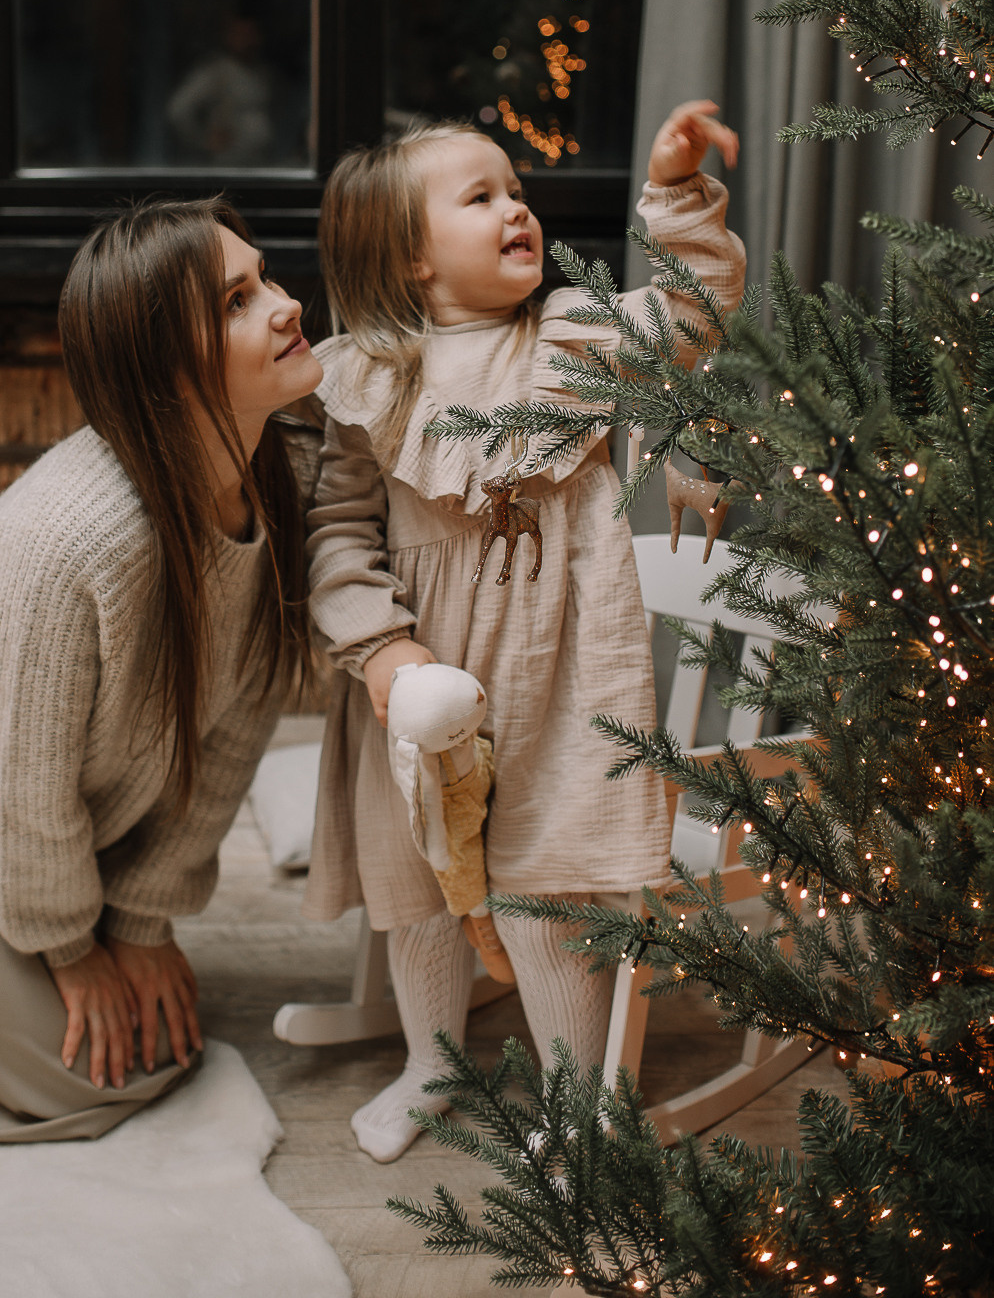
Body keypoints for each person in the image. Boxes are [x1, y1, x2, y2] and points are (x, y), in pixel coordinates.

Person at [0, 198, 324, 1141]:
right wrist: (72, 949)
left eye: (267, 278)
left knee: (155, 1057)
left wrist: (145, 917)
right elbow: (18, 780)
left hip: (22, 816)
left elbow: (240, 726)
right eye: (239, 301)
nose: (284, 305)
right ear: (162, 367)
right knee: (80, 1084)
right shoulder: (73, 536)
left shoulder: (278, 480)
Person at [302, 101, 745, 1162]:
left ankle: (577, 1098)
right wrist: (378, 646)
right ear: (411, 258)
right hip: (422, 675)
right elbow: (335, 533)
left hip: (558, 659)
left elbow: (696, 310)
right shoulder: (366, 374)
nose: (517, 210)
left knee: (548, 882)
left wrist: (675, 194)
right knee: (416, 884)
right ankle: (430, 1066)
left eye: (517, 191)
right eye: (481, 196)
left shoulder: (572, 334)